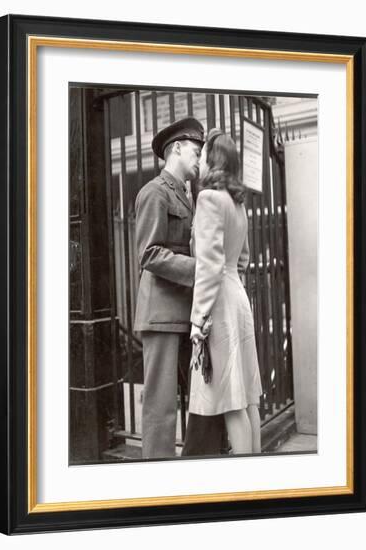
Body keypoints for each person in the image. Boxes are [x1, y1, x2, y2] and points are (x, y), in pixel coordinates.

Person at [134, 117, 225, 459]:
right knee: (160, 406)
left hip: (184, 312)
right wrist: (201, 269)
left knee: (201, 396)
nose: (199, 158)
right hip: (160, 314)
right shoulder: (154, 192)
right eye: (195, 151)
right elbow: (149, 253)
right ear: (176, 149)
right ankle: (157, 480)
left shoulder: (188, 195)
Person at [187, 128, 263, 455]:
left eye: (202, 155)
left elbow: (208, 265)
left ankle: (245, 483)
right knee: (247, 396)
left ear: (212, 159)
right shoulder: (236, 203)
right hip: (237, 296)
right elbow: (241, 259)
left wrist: (198, 318)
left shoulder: (208, 198)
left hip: (218, 301)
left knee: (231, 399)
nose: (200, 162)